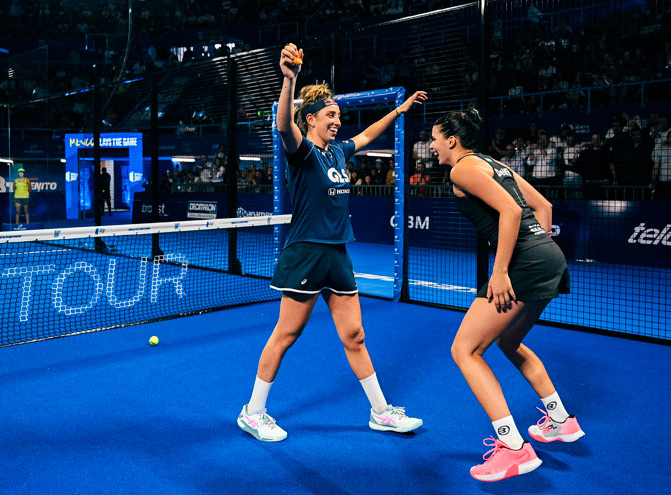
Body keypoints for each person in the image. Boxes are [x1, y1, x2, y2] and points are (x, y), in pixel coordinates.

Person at [237, 43, 428, 442]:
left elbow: (367, 133)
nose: (337, 121)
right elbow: (282, 127)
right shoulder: (302, 152)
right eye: (330, 115)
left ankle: (380, 412)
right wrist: (289, 79)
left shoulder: (339, 152)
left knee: (355, 335)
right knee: (286, 335)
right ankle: (253, 413)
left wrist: (398, 111)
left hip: (337, 252)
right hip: (305, 253)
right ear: (311, 119)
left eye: (338, 115)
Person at [429, 109, 584, 482]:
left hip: (523, 263)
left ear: (452, 140)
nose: (432, 145)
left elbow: (513, 211)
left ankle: (513, 449)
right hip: (548, 256)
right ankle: (560, 420)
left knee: (464, 350)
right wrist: (538, 249)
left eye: (435, 138)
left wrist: (500, 272)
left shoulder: (462, 168)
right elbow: (542, 207)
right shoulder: (492, 163)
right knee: (509, 340)